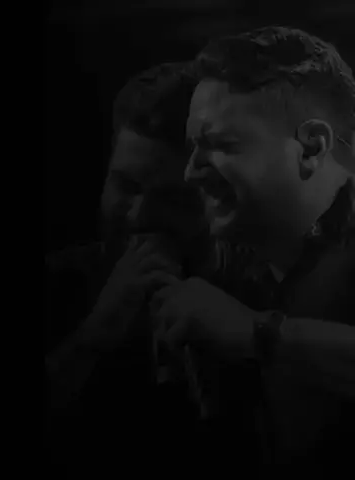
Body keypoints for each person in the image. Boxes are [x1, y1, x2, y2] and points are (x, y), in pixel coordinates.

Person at [151, 26, 355, 478]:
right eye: (192, 149)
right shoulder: (238, 271)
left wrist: (256, 334)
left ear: (311, 147)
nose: (190, 173)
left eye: (221, 145)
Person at [44, 62, 210, 477]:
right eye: (125, 185)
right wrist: (91, 337)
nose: (137, 217)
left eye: (170, 199)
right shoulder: (56, 283)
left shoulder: (251, 294)